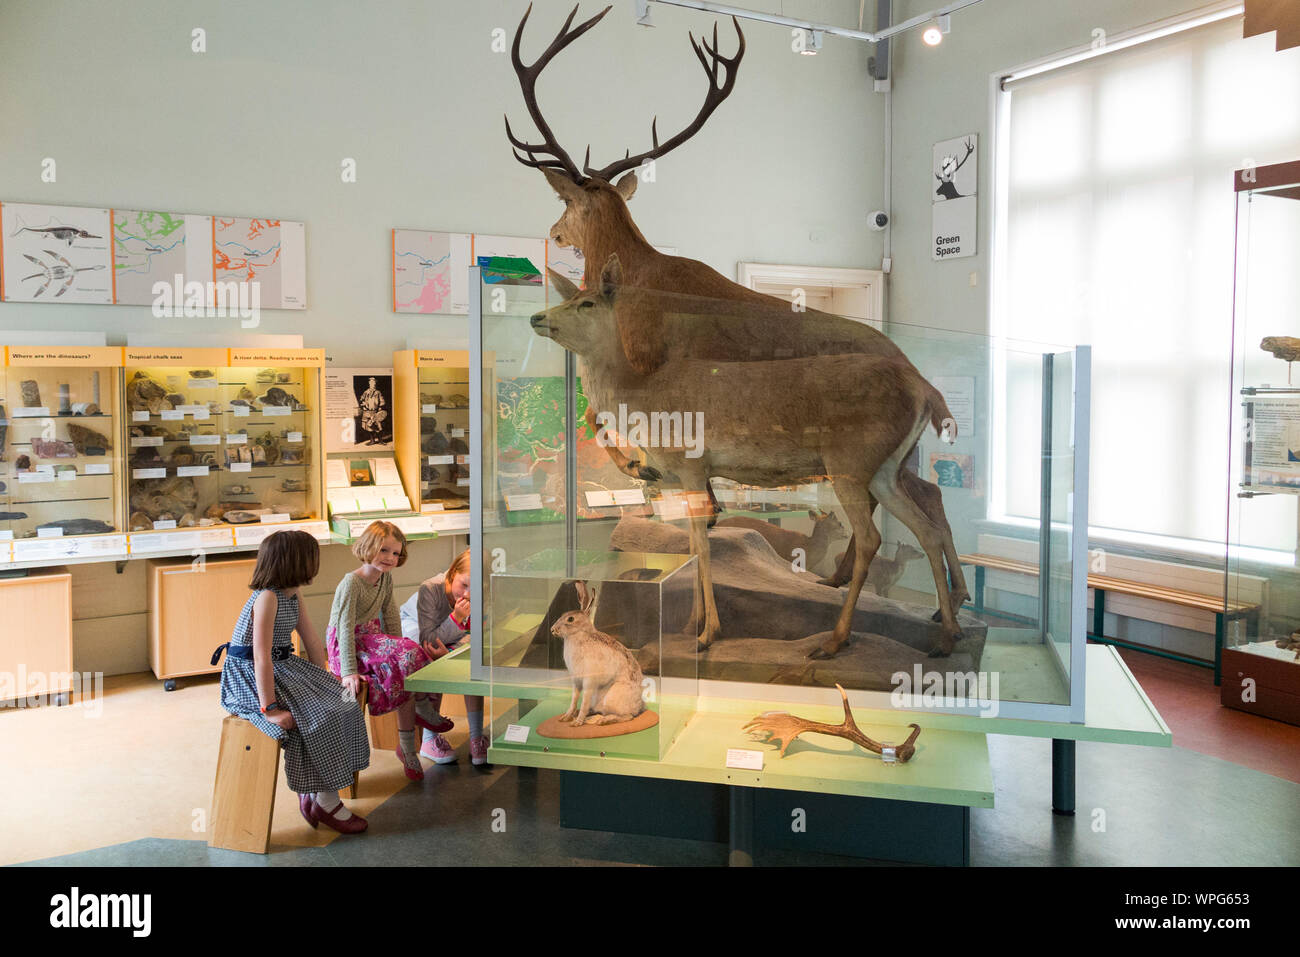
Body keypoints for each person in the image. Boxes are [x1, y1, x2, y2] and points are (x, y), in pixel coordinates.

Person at [214, 530, 370, 835]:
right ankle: (326, 802)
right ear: (294, 562)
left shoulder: (292, 593)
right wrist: (269, 708)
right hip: (251, 677)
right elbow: (260, 658)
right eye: (311, 558)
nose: (315, 564)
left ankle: (317, 791)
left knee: (344, 702)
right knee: (319, 716)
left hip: (283, 666)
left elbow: (311, 639)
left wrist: (325, 679)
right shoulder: (267, 598)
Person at [325, 520, 447, 781]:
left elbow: (391, 616)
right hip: (347, 645)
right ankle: (422, 711)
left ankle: (406, 747)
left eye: (395, 553)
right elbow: (344, 629)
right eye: (384, 551)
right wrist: (348, 671)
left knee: (406, 661)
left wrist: (398, 650)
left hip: (373, 638)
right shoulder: (351, 583)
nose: (390, 558)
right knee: (404, 657)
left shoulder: (385, 578)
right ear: (368, 547)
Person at [399, 548, 488, 766]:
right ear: (451, 574)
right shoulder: (430, 589)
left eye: (474, 588)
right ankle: (429, 740)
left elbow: (478, 633)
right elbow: (429, 640)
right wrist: (458, 617)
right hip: (416, 632)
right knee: (431, 661)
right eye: (464, 585)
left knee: (472, 662)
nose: (467, 594)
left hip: (449, 636)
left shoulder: (477, 594)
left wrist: (453, 648)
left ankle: (477, 737)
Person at [358, 377, 386, 445]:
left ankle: (380, 440)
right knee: (369, 427)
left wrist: (380, 407)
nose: (373, 384)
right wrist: (364, 405)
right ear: (369, 384)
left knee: (378, 426)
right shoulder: (366, 392)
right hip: (367, 412)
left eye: (374, 383)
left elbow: (382, 401)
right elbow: (361, 400)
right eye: (371, 383)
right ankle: (372, 440)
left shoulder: (378, 392)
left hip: (375, 411)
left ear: (375, 384)